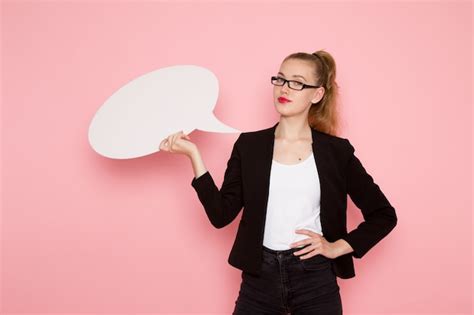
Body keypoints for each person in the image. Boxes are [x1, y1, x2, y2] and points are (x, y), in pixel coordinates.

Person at [159, 50, 398, 315]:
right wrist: (194, 155)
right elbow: (220, 215)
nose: (285, 89)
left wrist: (337, 247)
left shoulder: (336, 152)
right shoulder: (249, 146)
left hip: (315, 280)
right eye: (280, 79)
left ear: (317, 94)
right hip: (259, 279)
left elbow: (384, 215)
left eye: (297, 82)